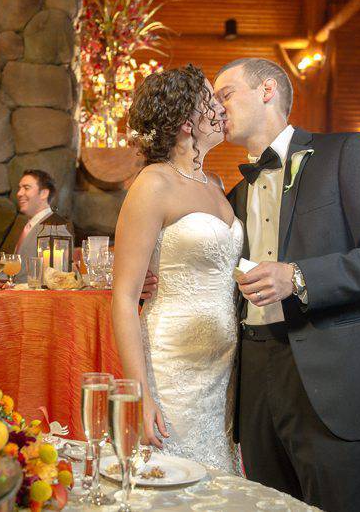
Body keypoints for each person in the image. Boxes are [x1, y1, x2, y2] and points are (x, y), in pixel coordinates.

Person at [214, 58, 360, 512]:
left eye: (225, 93)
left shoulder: (345, 153)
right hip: (255, 375)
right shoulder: (234, 195)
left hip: (332, 375)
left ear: (267, 90)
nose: (216, 107)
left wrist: (301, 277)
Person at [111, 64, 242, 474]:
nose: (221, 108)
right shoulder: (153, 184)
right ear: (187, 121)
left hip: (223, 366)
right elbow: (124, 296)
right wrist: (140, 393)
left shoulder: (216, 184)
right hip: (172, 364)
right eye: (211, 99)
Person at [10, 169, 72, 283]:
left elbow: (58, 278)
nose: (19, 193)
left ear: (44, 193)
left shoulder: (55, 227)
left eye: (26, 188)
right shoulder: (29, 226)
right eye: (19, 188)